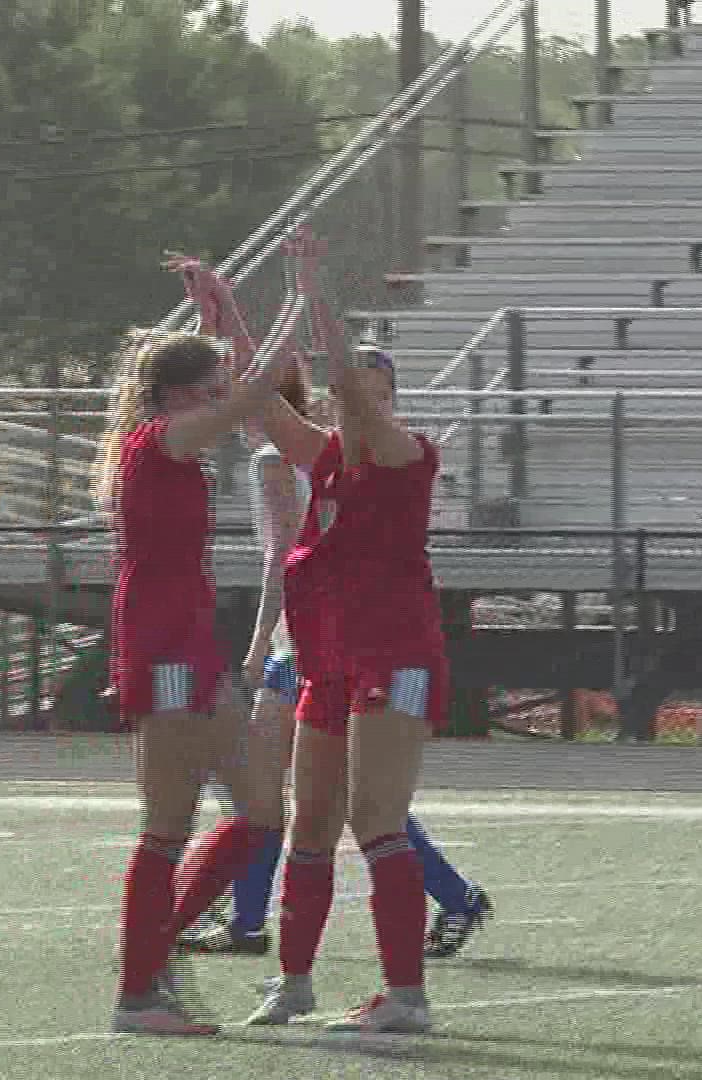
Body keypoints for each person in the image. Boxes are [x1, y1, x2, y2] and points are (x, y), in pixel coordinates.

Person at [96, 262, 293, 1037]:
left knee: (259, 809)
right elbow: (253, 389)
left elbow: (237, 386)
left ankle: (151, 955)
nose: (219, 398)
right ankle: (139, 993)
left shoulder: (169, 431)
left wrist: (224, 314)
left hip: (190, 648)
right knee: (168, 825)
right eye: (206, 389)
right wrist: (301, 297)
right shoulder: (162, 439)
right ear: (180, 397)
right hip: (166, 651)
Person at [243, 338, 449, 1034]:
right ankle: (294, 981)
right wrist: (230, 319)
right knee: (311, 823)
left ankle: (406, 996)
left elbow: (348, 400)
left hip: (397, 662)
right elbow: (265, 399)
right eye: (355, 391)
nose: (362, 403)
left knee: (376, 819)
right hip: (329, 663)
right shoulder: (328, 456)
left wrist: (317, 298)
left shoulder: (409, 454)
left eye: (376, 392)